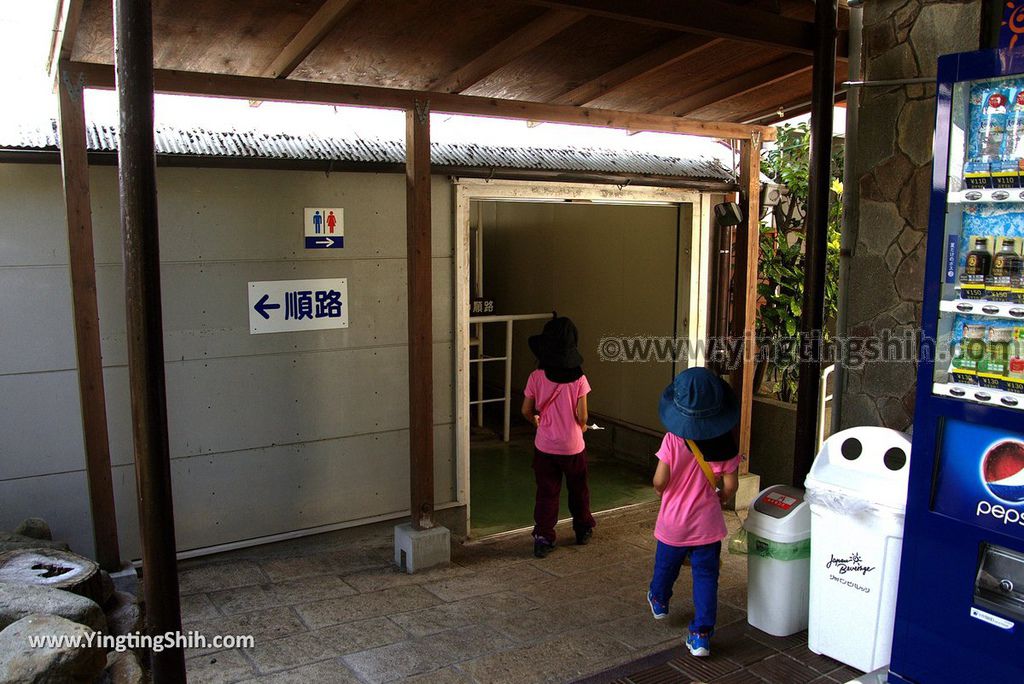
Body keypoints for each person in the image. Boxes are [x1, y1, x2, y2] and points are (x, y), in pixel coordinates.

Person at [646, 367, 741, 658]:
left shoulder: (673, 440)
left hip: (673, 522)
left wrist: (663, 492)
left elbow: (660, 481)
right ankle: (701, 635)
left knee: (666, 565)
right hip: (707, 526)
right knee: (706, 576)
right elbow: (731, 485)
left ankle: (660, 600)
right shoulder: (725, 444)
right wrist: (721, 496)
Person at [521, 316, 595, 559]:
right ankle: (582, 528)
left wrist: (536, 420)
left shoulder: (536, 377)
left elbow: (525, 410)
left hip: (545, 447)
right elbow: (582, 416)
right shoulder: (579, 380)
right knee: (578, 489)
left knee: (547, 491)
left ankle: (543, 537)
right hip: (573, 446)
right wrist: (581, 426)